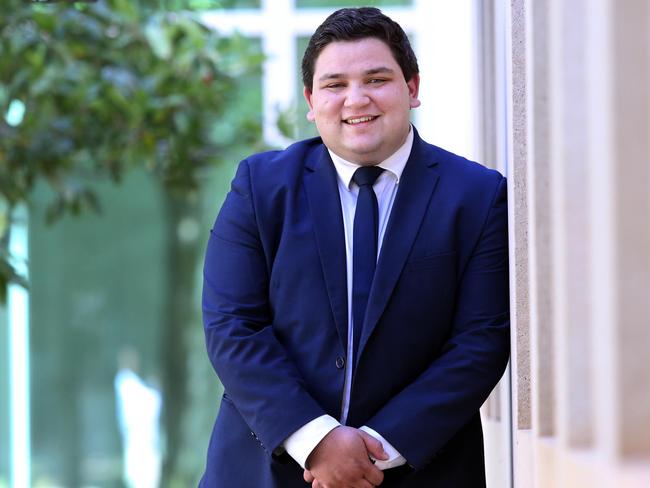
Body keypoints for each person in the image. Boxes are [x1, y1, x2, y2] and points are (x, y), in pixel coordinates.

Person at [200, 7, 510, 487]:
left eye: (376, 78)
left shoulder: (477, 196)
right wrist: (317, 441)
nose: (356, 99)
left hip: (419, 470)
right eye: (334, 84)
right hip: (267, 469)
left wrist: (370, 453)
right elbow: (232, 325)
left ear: (412, 87)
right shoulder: (260, 187)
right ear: (310, 99)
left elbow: (481, 341)